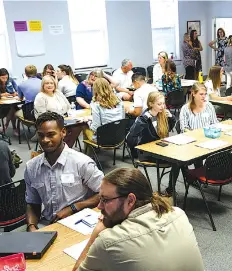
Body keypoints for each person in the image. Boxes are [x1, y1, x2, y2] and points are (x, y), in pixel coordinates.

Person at [72, 167, 204, 271]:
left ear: (130, 200)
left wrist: (97, 232)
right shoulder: (178, 213)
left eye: (105, 200)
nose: (99, 206)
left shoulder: (109, 241)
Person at [25, 112, 103, 230]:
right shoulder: (31, 167)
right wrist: (31, 227)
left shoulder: (82, 162)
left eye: (51, 134)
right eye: (41, 135)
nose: (45, 140)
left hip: (78, 222)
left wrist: (74, 207)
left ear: (63, 132)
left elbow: (104, 194)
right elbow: (32, 202)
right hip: (48, 223)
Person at [84, 78, 125, 142]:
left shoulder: (96, 105)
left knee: (84, 126)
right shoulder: (119, 101)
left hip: (103, 140)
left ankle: (91, 151)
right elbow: (122, 120)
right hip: (119, 138)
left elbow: (95, 127)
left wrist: (88, 122)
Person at [0, 68, 19, 136]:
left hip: (10, 102)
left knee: (12, 107)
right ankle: (14, 128)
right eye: (3, 78)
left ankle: (6, 125)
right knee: (12, 109)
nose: (5, 79)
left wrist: (16, 93)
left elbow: (17, 89)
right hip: (1, 105)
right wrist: (1, 94)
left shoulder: (10, 79)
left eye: (6, 77)